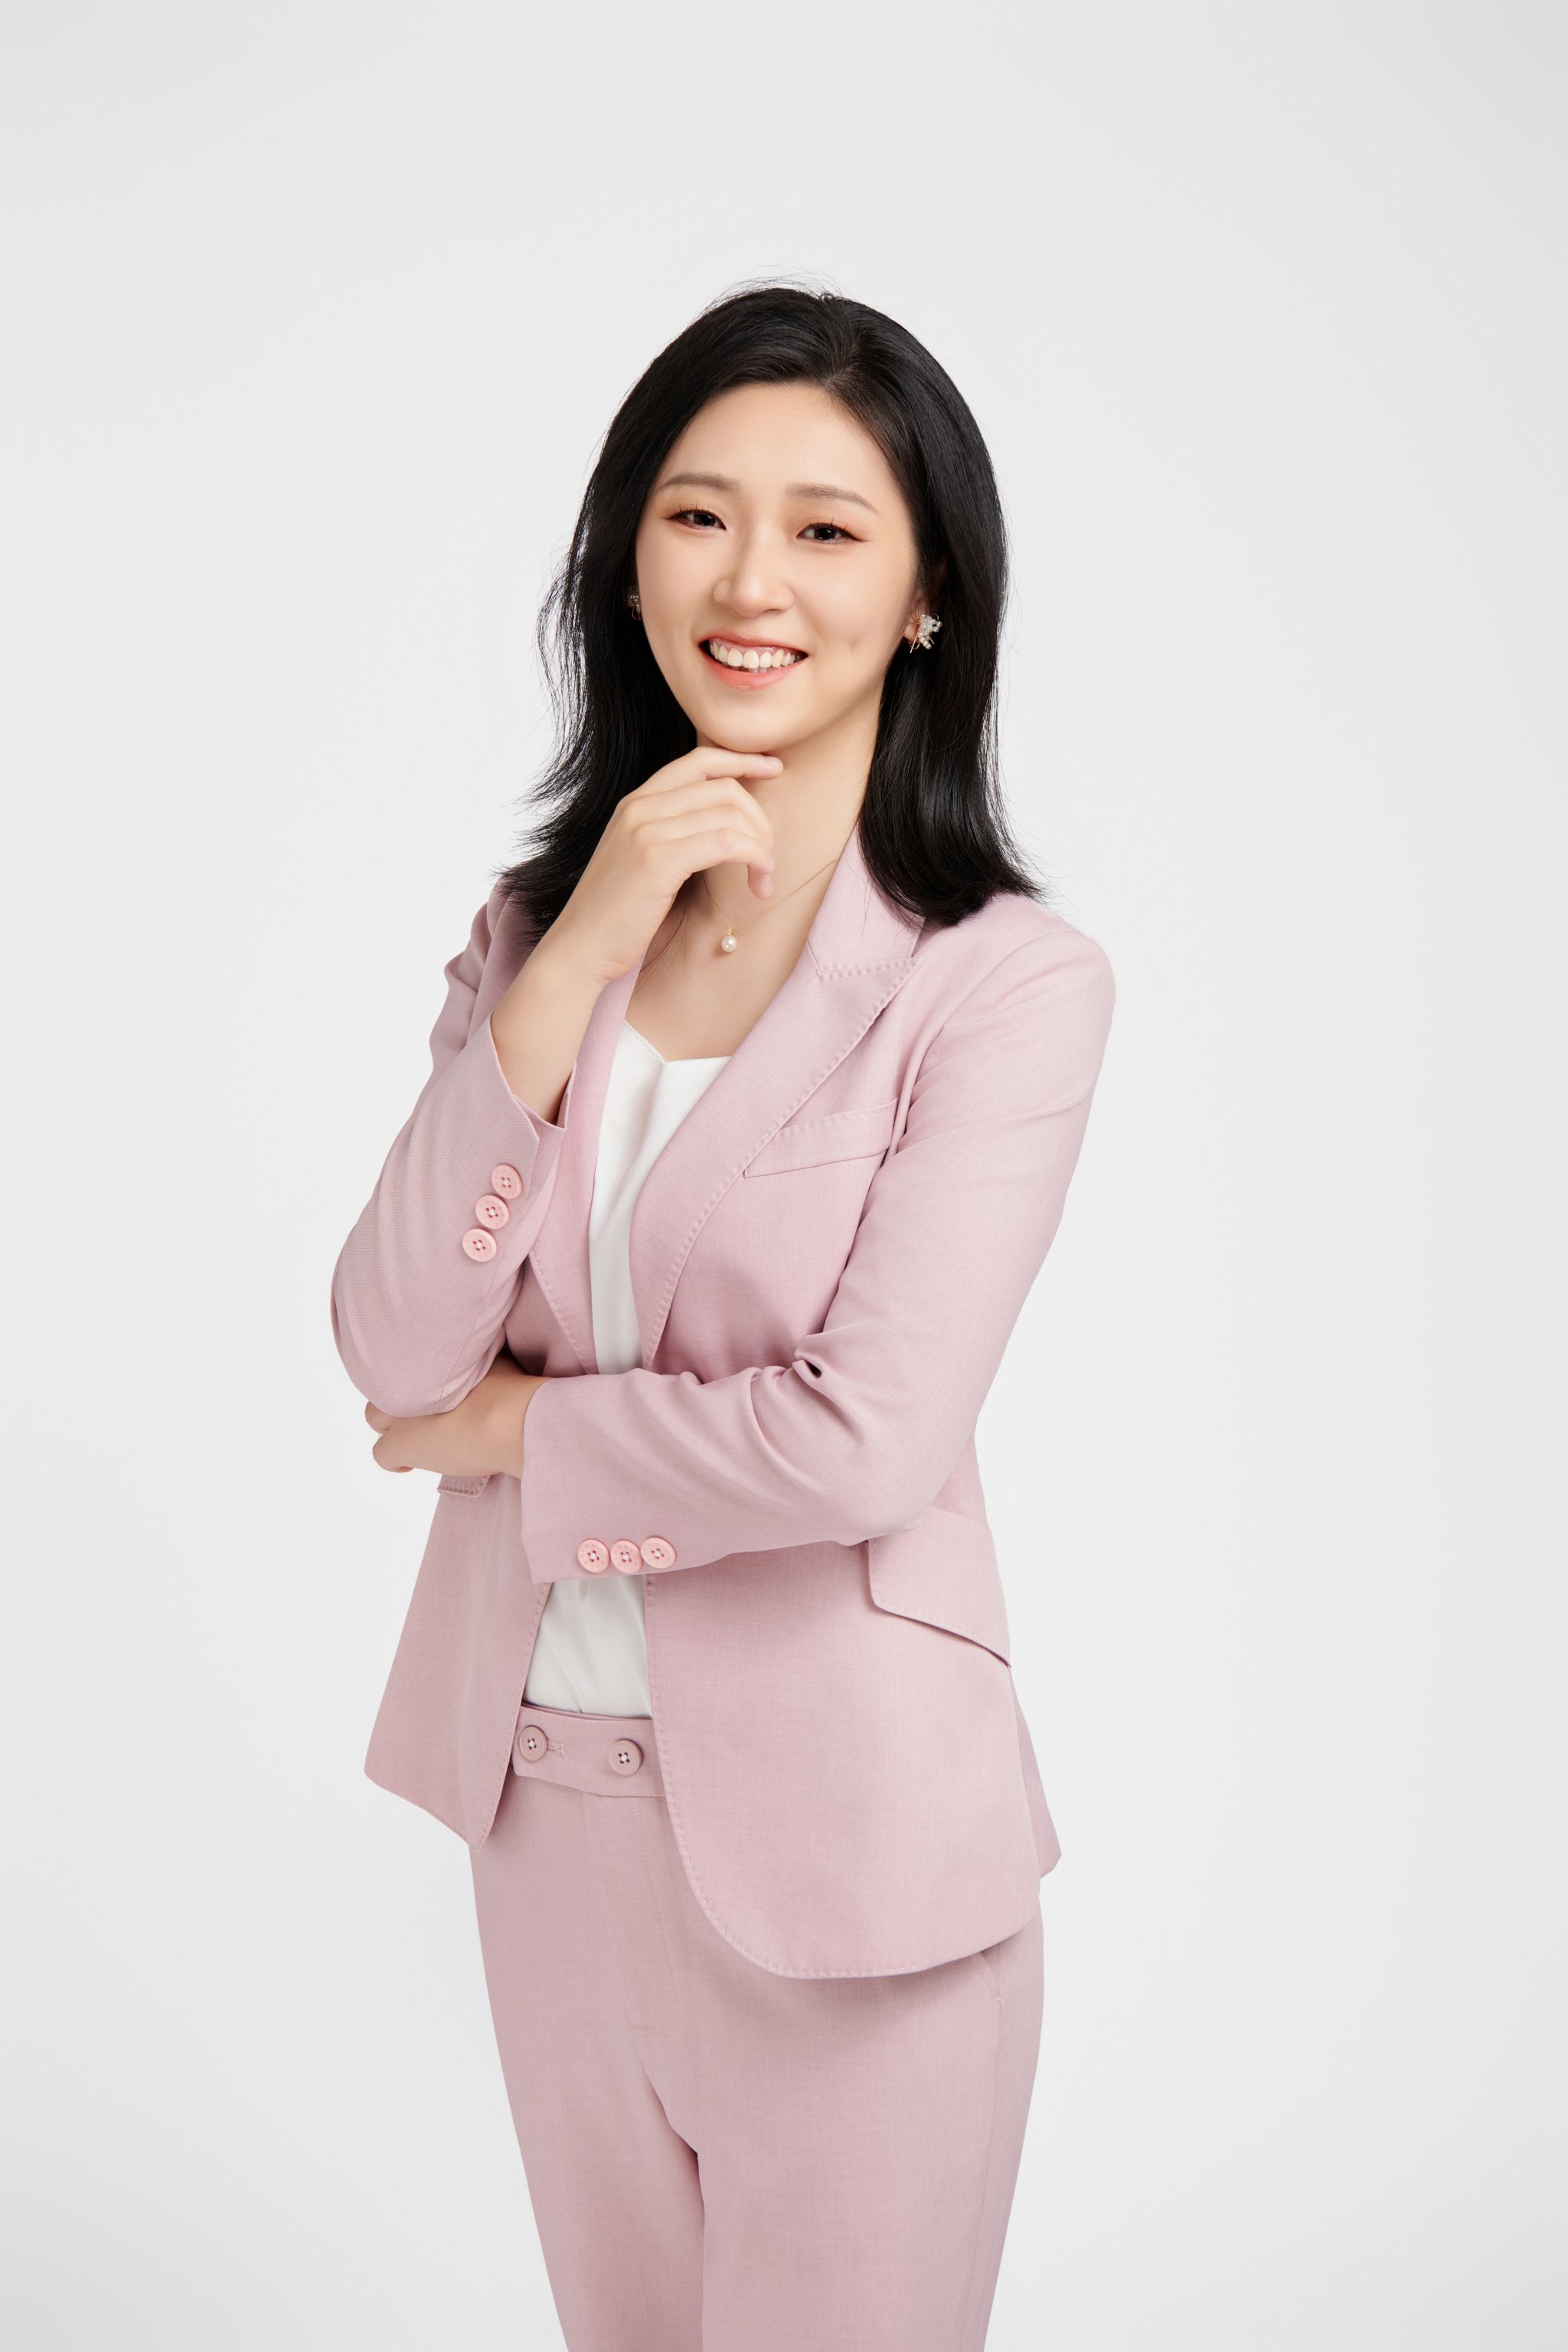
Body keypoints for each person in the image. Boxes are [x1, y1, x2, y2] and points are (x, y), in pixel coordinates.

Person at [331, 283, 1116, 2351]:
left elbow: (864, 1438)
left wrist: (515, 1434)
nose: (750, 582)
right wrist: (581, 945)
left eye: (828, 529)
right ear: (625, 558)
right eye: (697, 515)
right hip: (546, 1807)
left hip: (862, 1855)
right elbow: (392, 1344)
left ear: (929, 596)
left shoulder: (997, 983)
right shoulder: (534, 941)